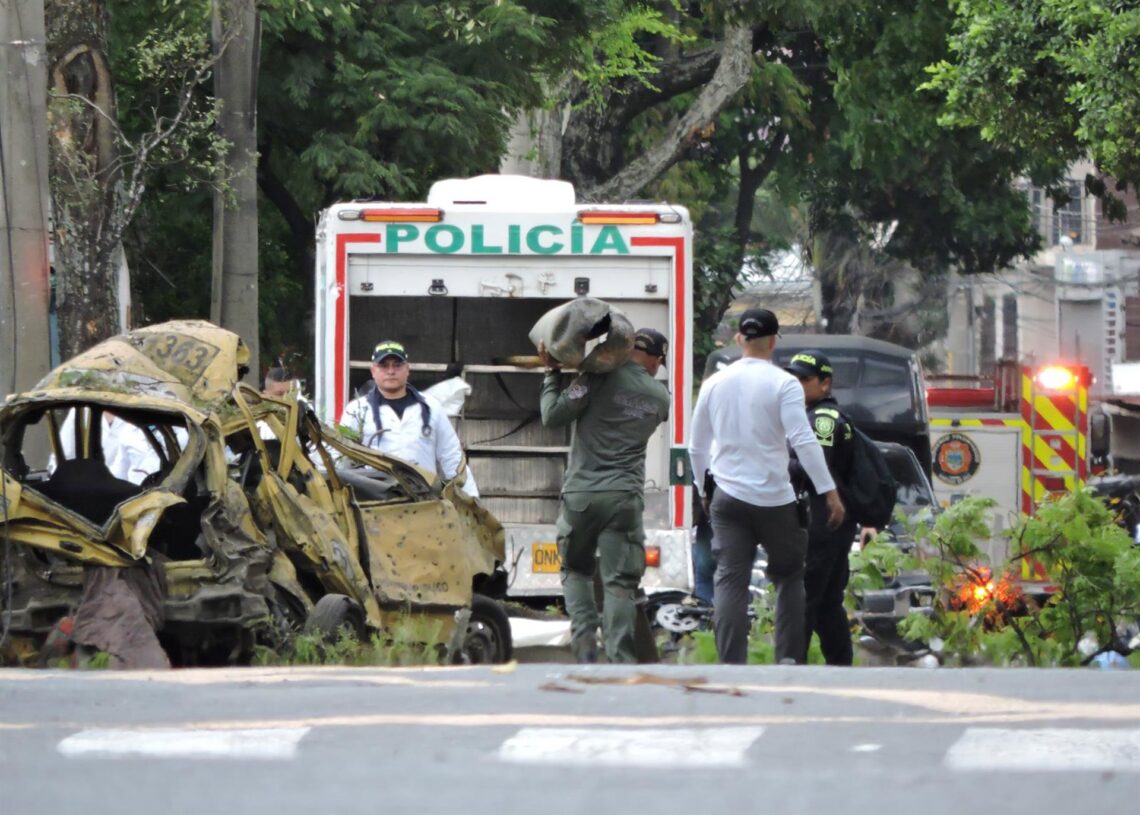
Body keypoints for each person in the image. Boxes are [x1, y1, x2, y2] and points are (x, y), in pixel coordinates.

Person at [688, 308, 845, 665]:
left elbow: (697, 447)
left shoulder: (714, 383)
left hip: (726, 497)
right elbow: (803, 440)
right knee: (789, 575)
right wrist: (829, 491)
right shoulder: (784, 383)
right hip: (775, 500)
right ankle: (787, 659)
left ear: (740, 338)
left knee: (730, 579)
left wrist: (703, 490)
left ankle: (731, 664)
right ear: (774, 341)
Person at [538, 327, 670, 663]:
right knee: (620, 583)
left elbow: (553, 415)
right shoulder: (659, 397)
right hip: (624, 498)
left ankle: (584, 642)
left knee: (575, 570)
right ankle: (620, 659)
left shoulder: (596, 378)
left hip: (581, 495)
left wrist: (553, 374)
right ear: (654, 359)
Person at [785, 350, 860, 666]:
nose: (798, 385)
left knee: (807, 596)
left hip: (825, 521)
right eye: (794, 379)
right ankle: (840, 666)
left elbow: (816, 470)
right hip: (828, 521)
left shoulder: (823, 420)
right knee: (828, 601)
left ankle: (793, 664)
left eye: (805, 379)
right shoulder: (810, 415)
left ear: (825, 384)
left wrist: (777, 460)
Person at [338, 340, 478, 497]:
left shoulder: (432, 408)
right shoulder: (357, 410)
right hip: (374, 503)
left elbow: (452, 458)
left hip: (424, 500)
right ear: (373, 371)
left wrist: (472, 501)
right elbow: (340, 460)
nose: (391, 371)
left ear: (407, 369)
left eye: (397, 365)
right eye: (384, 365)